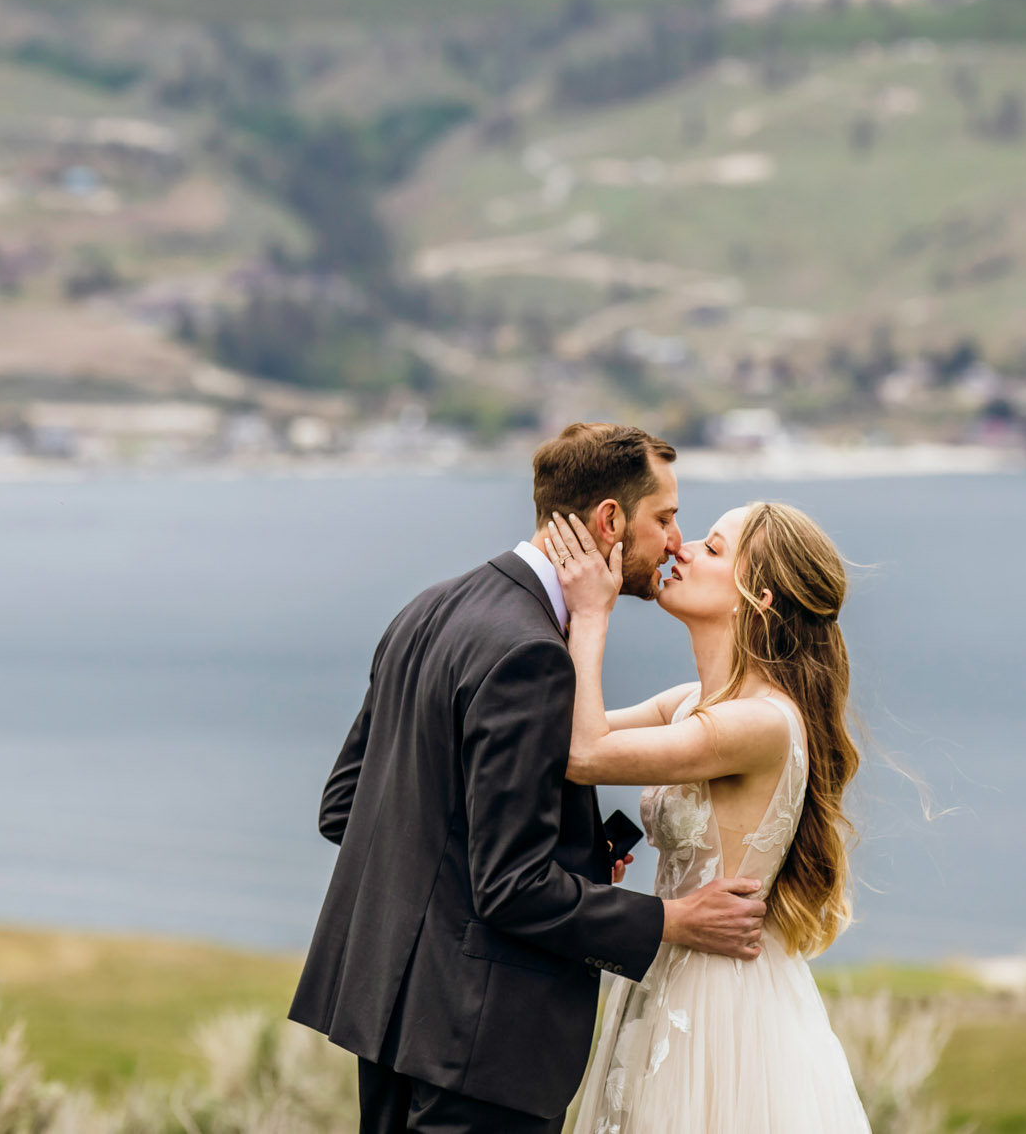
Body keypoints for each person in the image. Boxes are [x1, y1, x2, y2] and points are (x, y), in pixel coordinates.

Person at [290, 423, 772, 1134]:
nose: (675, 539)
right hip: (481, 1044)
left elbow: (347, 809)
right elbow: (510, 886)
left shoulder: (429, 608)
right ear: (610, 518)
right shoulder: (532, 655)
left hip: (389, 1023)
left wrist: (571, 850)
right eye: (664, 518)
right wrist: (673, 919)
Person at [549, 501, 874, 1133]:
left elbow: (585, 754)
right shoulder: (691, 702)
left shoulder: (759, 722)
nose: (682, 548)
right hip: (665, 962)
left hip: (718, 999)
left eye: (714, 548)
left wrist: (592, 615)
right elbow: (556, 741)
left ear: (756, 598)